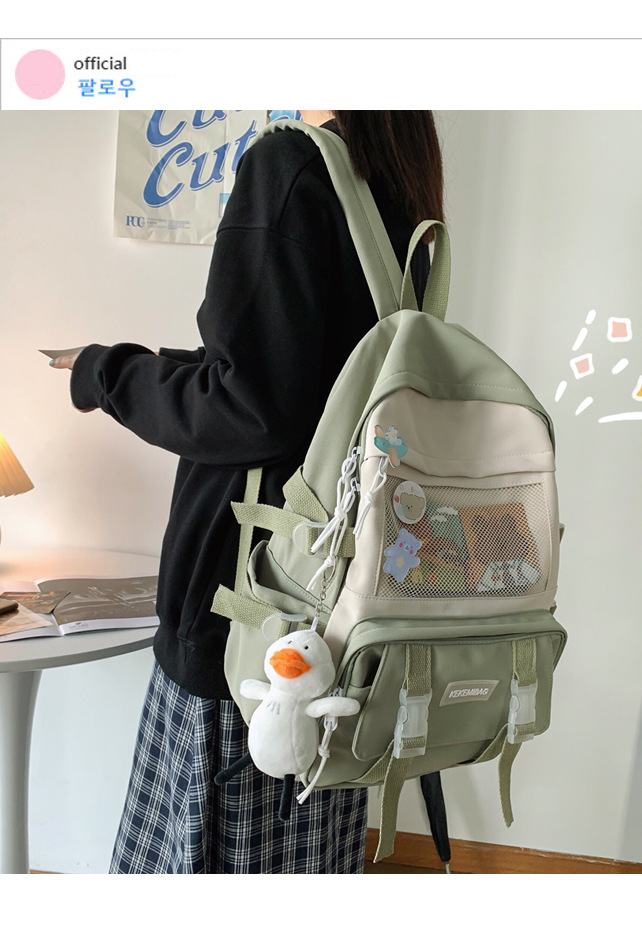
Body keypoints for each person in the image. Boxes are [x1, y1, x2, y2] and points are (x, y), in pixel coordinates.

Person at [51, 110, 445, 874]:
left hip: (248, 613)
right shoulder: (396, 193)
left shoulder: (289, 166)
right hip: (340, 607)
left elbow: (247, 407)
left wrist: (106, 372)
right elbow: (299, 383)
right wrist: (174, 365)